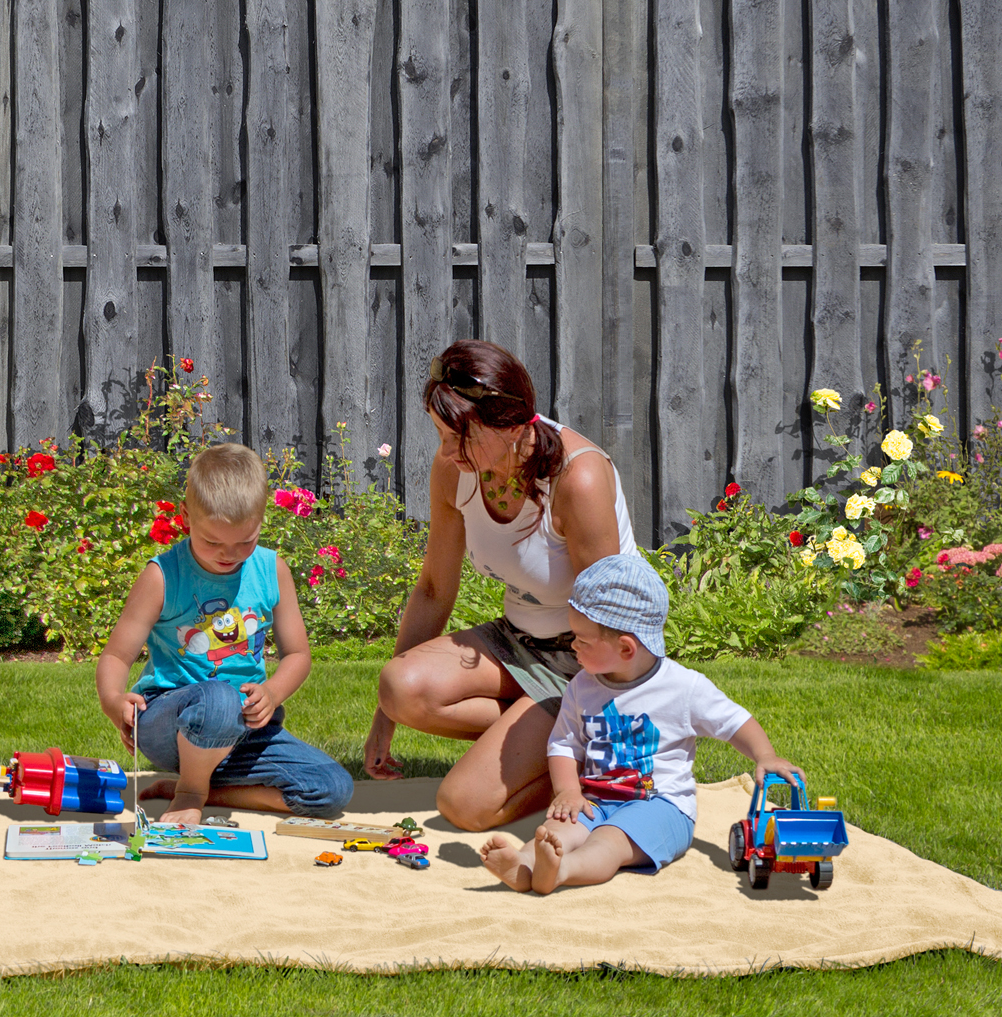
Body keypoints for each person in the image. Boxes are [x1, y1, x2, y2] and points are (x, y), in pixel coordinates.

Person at [366, 340, 633, 830]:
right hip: (519, 641)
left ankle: (585, 750)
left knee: (464, 805)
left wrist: (594, 710)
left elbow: (609, 620)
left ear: (511, 426)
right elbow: (433, 588)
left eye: (460, 438)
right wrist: (386, 717)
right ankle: (540, 733)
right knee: (399, 688)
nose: (447, 452)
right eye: (441, 435)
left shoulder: (578, 479)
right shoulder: (456, 470)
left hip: (586, 661)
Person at [481, 553, 803, 892]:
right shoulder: (582, 686)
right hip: (596, 800)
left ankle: (562, 871)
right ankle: (524, 865)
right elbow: (564, 744)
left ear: (626, 649)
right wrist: (569, 792)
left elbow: (734, 722)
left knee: (609, 841)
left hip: (659, 807)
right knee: (557, 832)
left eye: (581, 640)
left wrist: (765, 755)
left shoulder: (682, 687)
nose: (572, 645)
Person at [96, 442, 355, 825]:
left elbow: (298, 655)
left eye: (244, 541)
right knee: (219, 698)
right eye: (213, 542)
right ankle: (190, 791)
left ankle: (204, 788)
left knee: (331, 788)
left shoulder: (271, 570)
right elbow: (117, 655)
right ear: (186, 516)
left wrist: (272, 693)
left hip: (243, 730)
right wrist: (112, 700)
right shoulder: (163, 575)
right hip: (170, 721)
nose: (229, 554)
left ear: (261, 520)